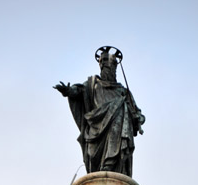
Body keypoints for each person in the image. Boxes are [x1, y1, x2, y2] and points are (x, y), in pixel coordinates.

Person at [54, 46, 145, 177]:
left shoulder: (123, 91)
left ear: (114, 69)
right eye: (103, 67)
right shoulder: (93, 84)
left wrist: (138, 118)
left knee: (121, 107)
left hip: (117, 128)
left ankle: (110, 163)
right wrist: (68, 91)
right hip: (96, 127)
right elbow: (78, 90)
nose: (105, 70)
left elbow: (138, 114)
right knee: (120, 106)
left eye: (108, 67)